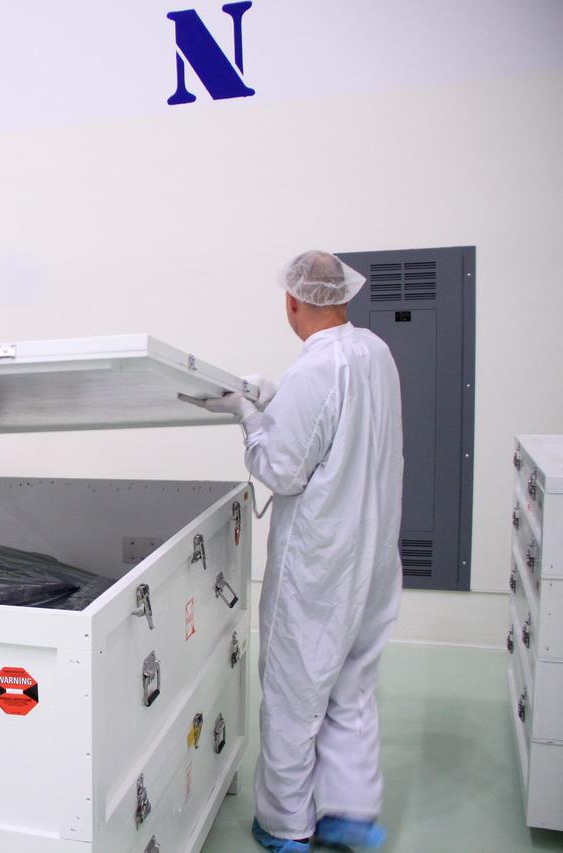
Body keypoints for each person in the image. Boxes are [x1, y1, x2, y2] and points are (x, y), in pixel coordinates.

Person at [205, 251, 402, 853]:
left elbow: (282, 468)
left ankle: (287, 826)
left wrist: (246, 416)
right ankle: (351, 815)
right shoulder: (374, 352)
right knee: (351, 685)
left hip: (320, 564)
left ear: (293, 302)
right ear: (342, 294)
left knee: (294, 693)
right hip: (370, 556)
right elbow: (335, 431)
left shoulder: (319, 366)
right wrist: (274, 400)